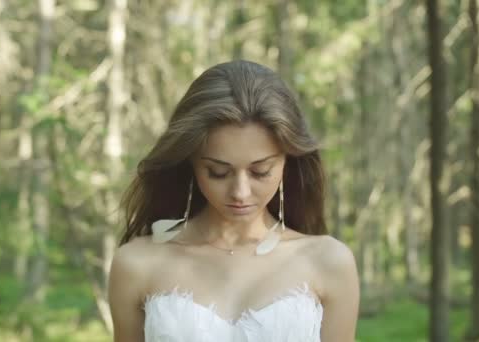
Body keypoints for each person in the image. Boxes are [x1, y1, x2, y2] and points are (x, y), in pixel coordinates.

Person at [108, 60, 359, 341]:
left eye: (260, 171)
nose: (240, 192)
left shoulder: (328, 262)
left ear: (287, 161)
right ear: (189, 162)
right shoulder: (137, 264)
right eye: (218, 172)